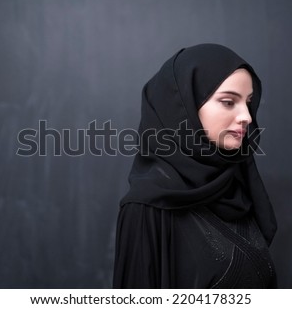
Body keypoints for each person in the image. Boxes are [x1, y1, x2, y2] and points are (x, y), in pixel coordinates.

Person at [113, 44, 277, 288]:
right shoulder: (147, 209)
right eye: (229, 102)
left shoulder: (234, 187)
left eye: (248, 102)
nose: (247, 117)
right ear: (185, 108)